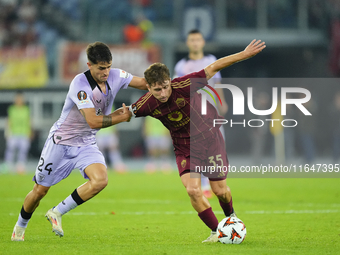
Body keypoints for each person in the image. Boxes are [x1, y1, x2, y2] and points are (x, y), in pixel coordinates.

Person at [129, 39, 266, 243]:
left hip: (210, 138)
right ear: (148, 88)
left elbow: (214, 67)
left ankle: (231, 217)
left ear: (170, 81)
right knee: (193, 190)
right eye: (157, 90)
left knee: (220, 190)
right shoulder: (146, 103)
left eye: (166, 87)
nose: (163, 93)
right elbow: (124, 114)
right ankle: (216, 231)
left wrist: (243, 54)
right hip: (185, 147)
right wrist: (93, 121)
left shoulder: (184, 84)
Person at [11, 41, 146, 241]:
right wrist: (120, 117)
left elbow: (144, 83)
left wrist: (167, 83)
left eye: (108, 66)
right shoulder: (80, 84)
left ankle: (56, 212)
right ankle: (19, 228)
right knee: (40, 190)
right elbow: (92, 121)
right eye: (101, 68)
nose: (106, 72)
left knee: (100, 180)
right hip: (61, 142)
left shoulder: (117, 75)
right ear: (89, 65)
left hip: (86, 143)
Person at [173, 29, 228, 199]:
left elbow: (217, 83)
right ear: (188, 43)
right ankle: (205, 185)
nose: (195, 42)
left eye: (198, 39)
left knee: (218, 148)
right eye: (192, 40)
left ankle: (217, 182)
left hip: (212, 113)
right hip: (193, 114)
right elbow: (177, 89)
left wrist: (222, 102)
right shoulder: (181, 66)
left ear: (203, 42)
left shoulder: (211, 61)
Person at [3, 91, 32, 174]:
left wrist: (29, 131)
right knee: (10, 149)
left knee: (23, 150)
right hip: (14, 132)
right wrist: (7, 131)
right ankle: (8, 165)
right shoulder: (12, 109)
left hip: (24, 132)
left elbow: (28, 121)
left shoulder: (26, 109)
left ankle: (20, 166)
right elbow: (9, 121)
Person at [96, 106, 127, 173]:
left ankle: (118, 165)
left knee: (113, 148)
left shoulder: (110, 104)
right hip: (99, 132)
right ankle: (102, 166)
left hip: (110, 131)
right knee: (100, 150)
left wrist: (115, 130)